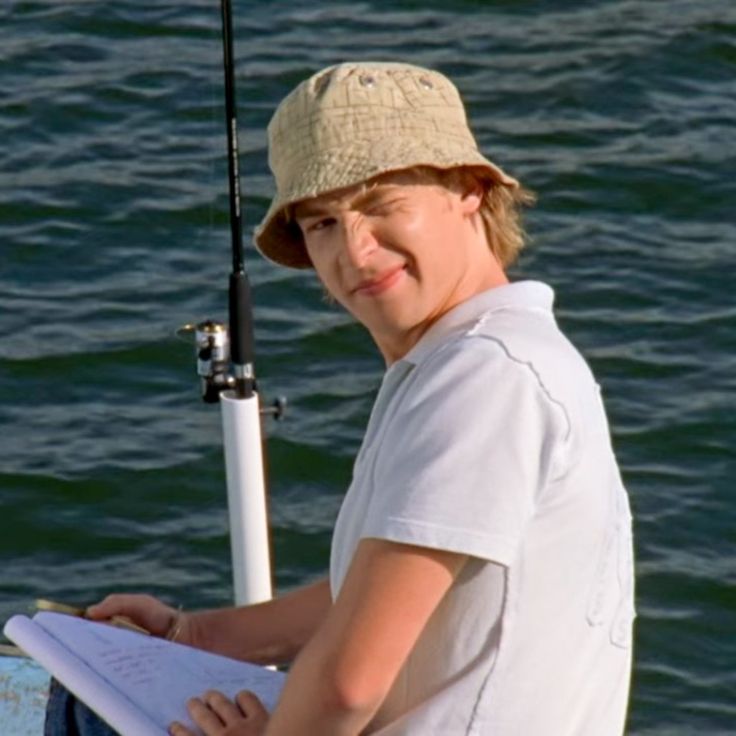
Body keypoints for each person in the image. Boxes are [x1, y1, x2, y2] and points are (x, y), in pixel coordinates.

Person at [79, 61, 635, 735]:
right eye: (321, 225)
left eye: (381, 205)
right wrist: (198, 635)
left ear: (468, 189)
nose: (356, 251)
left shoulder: (488, 377)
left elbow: (348, 686)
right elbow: (389, 595)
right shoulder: (471, 360)